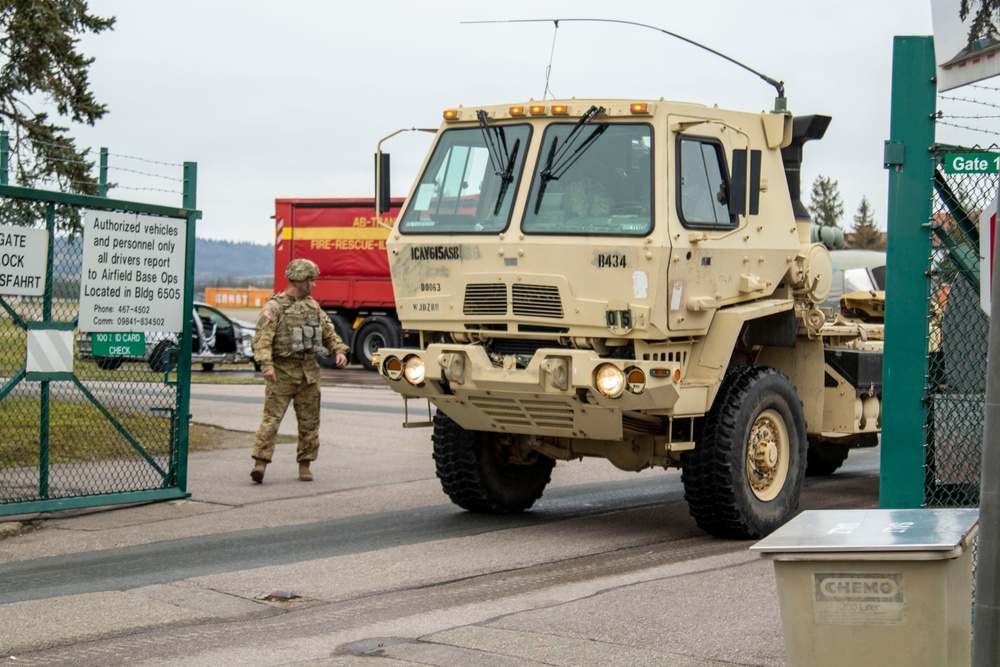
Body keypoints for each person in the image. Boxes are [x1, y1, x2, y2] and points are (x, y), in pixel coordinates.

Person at [250, 258, 348, 483]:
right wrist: (266, 366)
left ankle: (305, 465)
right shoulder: (274, 308)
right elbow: (262, 340)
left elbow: (328, 332)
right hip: (282, 373)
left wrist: (339, 350)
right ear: (298, 280)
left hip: (309, 374)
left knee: (310, 423)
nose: (313, 284)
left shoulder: (313, 306)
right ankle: (260, 463)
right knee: (271, 420)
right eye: (310, 280)